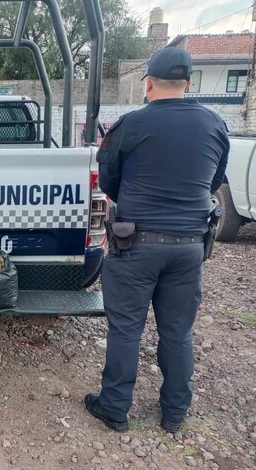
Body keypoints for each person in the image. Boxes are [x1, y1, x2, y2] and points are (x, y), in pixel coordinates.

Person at [84, 46, 229, 433]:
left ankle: (114, 409)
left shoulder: (129, 125)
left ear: (147, 83)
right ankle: (174, 413)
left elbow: (109, 180)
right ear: (188, 83)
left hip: (135, 245)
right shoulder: (214, 124)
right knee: (177, 332)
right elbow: (214, 180)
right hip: (188, 247)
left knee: (126, 330)